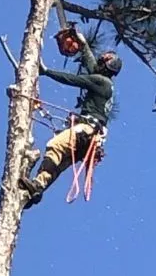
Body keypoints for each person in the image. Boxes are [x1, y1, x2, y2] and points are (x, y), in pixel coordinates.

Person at [19, 31, 122, 208]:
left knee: (55, 146)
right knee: (57, 165)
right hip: (89, 140)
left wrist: (46, 72)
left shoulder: (101, 82)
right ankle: (37, 188)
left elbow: (73, 79)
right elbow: (91, 67)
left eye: (101, 61)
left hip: (86, 131)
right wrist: (84, 46)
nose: (97, 62)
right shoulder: (104, 82)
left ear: (106, 66)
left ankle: (37, 186)